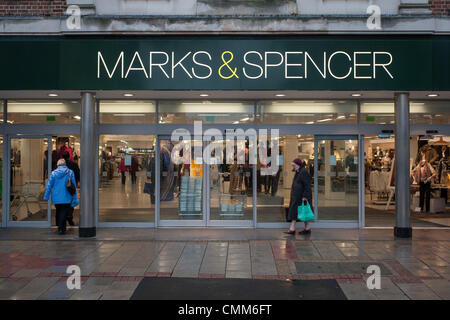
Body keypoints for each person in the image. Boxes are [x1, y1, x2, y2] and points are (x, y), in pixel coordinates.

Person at [43, 159, 77, 235]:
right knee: (64, 212)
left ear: (58, 165)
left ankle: (60, 227)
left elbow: (49, 186)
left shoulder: (53, 173)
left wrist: (46, 196)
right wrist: (74, 197)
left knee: (59, 211)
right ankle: (62, 228)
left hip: (56, 196)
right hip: (67, 196)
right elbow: (73, 185)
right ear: (65, 164)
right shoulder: (70, 172)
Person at [285, 158, 313, 235]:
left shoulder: (303, 172)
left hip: (301, 197)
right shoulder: (298, 172)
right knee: (302, 212)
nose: (293, 167)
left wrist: (305, 196)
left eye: (294, 165)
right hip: (297, 197)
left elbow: (307, 185)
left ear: (298, 165)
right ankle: (307, 228)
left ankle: (292, 228)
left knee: (297, 212)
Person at [62, 151, 80, 226]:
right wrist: (78, 181)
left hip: (62, 186)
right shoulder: (74, 164)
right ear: (69, 156)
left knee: (63, 201)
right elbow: (78, 174)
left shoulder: (59, 165)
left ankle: (63, 217)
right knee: (71, 200)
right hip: (72, 186)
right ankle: (69, 216)